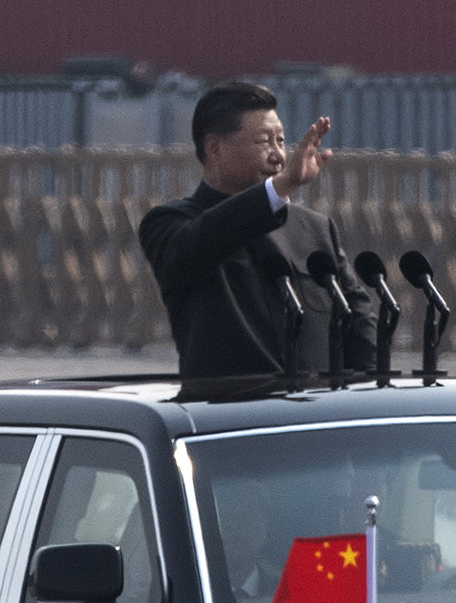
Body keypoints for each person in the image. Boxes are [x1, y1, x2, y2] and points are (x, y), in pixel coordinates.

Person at [140, 82, 373, 384]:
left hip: (317, 415)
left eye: (281, 140)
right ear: (214, 147)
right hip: (232, 419)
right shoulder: (171, 224)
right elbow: (208, 238)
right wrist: (280, 188)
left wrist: (365, 391)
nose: (278, 156)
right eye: (265, 142)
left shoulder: (315, 229)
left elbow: (359, 319)